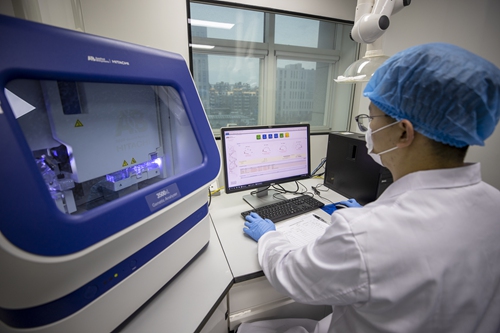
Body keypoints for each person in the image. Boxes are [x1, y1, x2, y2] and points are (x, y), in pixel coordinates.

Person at [237, 43, 500, 333]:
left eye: (371, 118)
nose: (368, 129)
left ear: (403, 131)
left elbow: (291, 275)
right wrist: (372, 216)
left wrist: (270, 237)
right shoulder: (494, 205)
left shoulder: (365, 232)